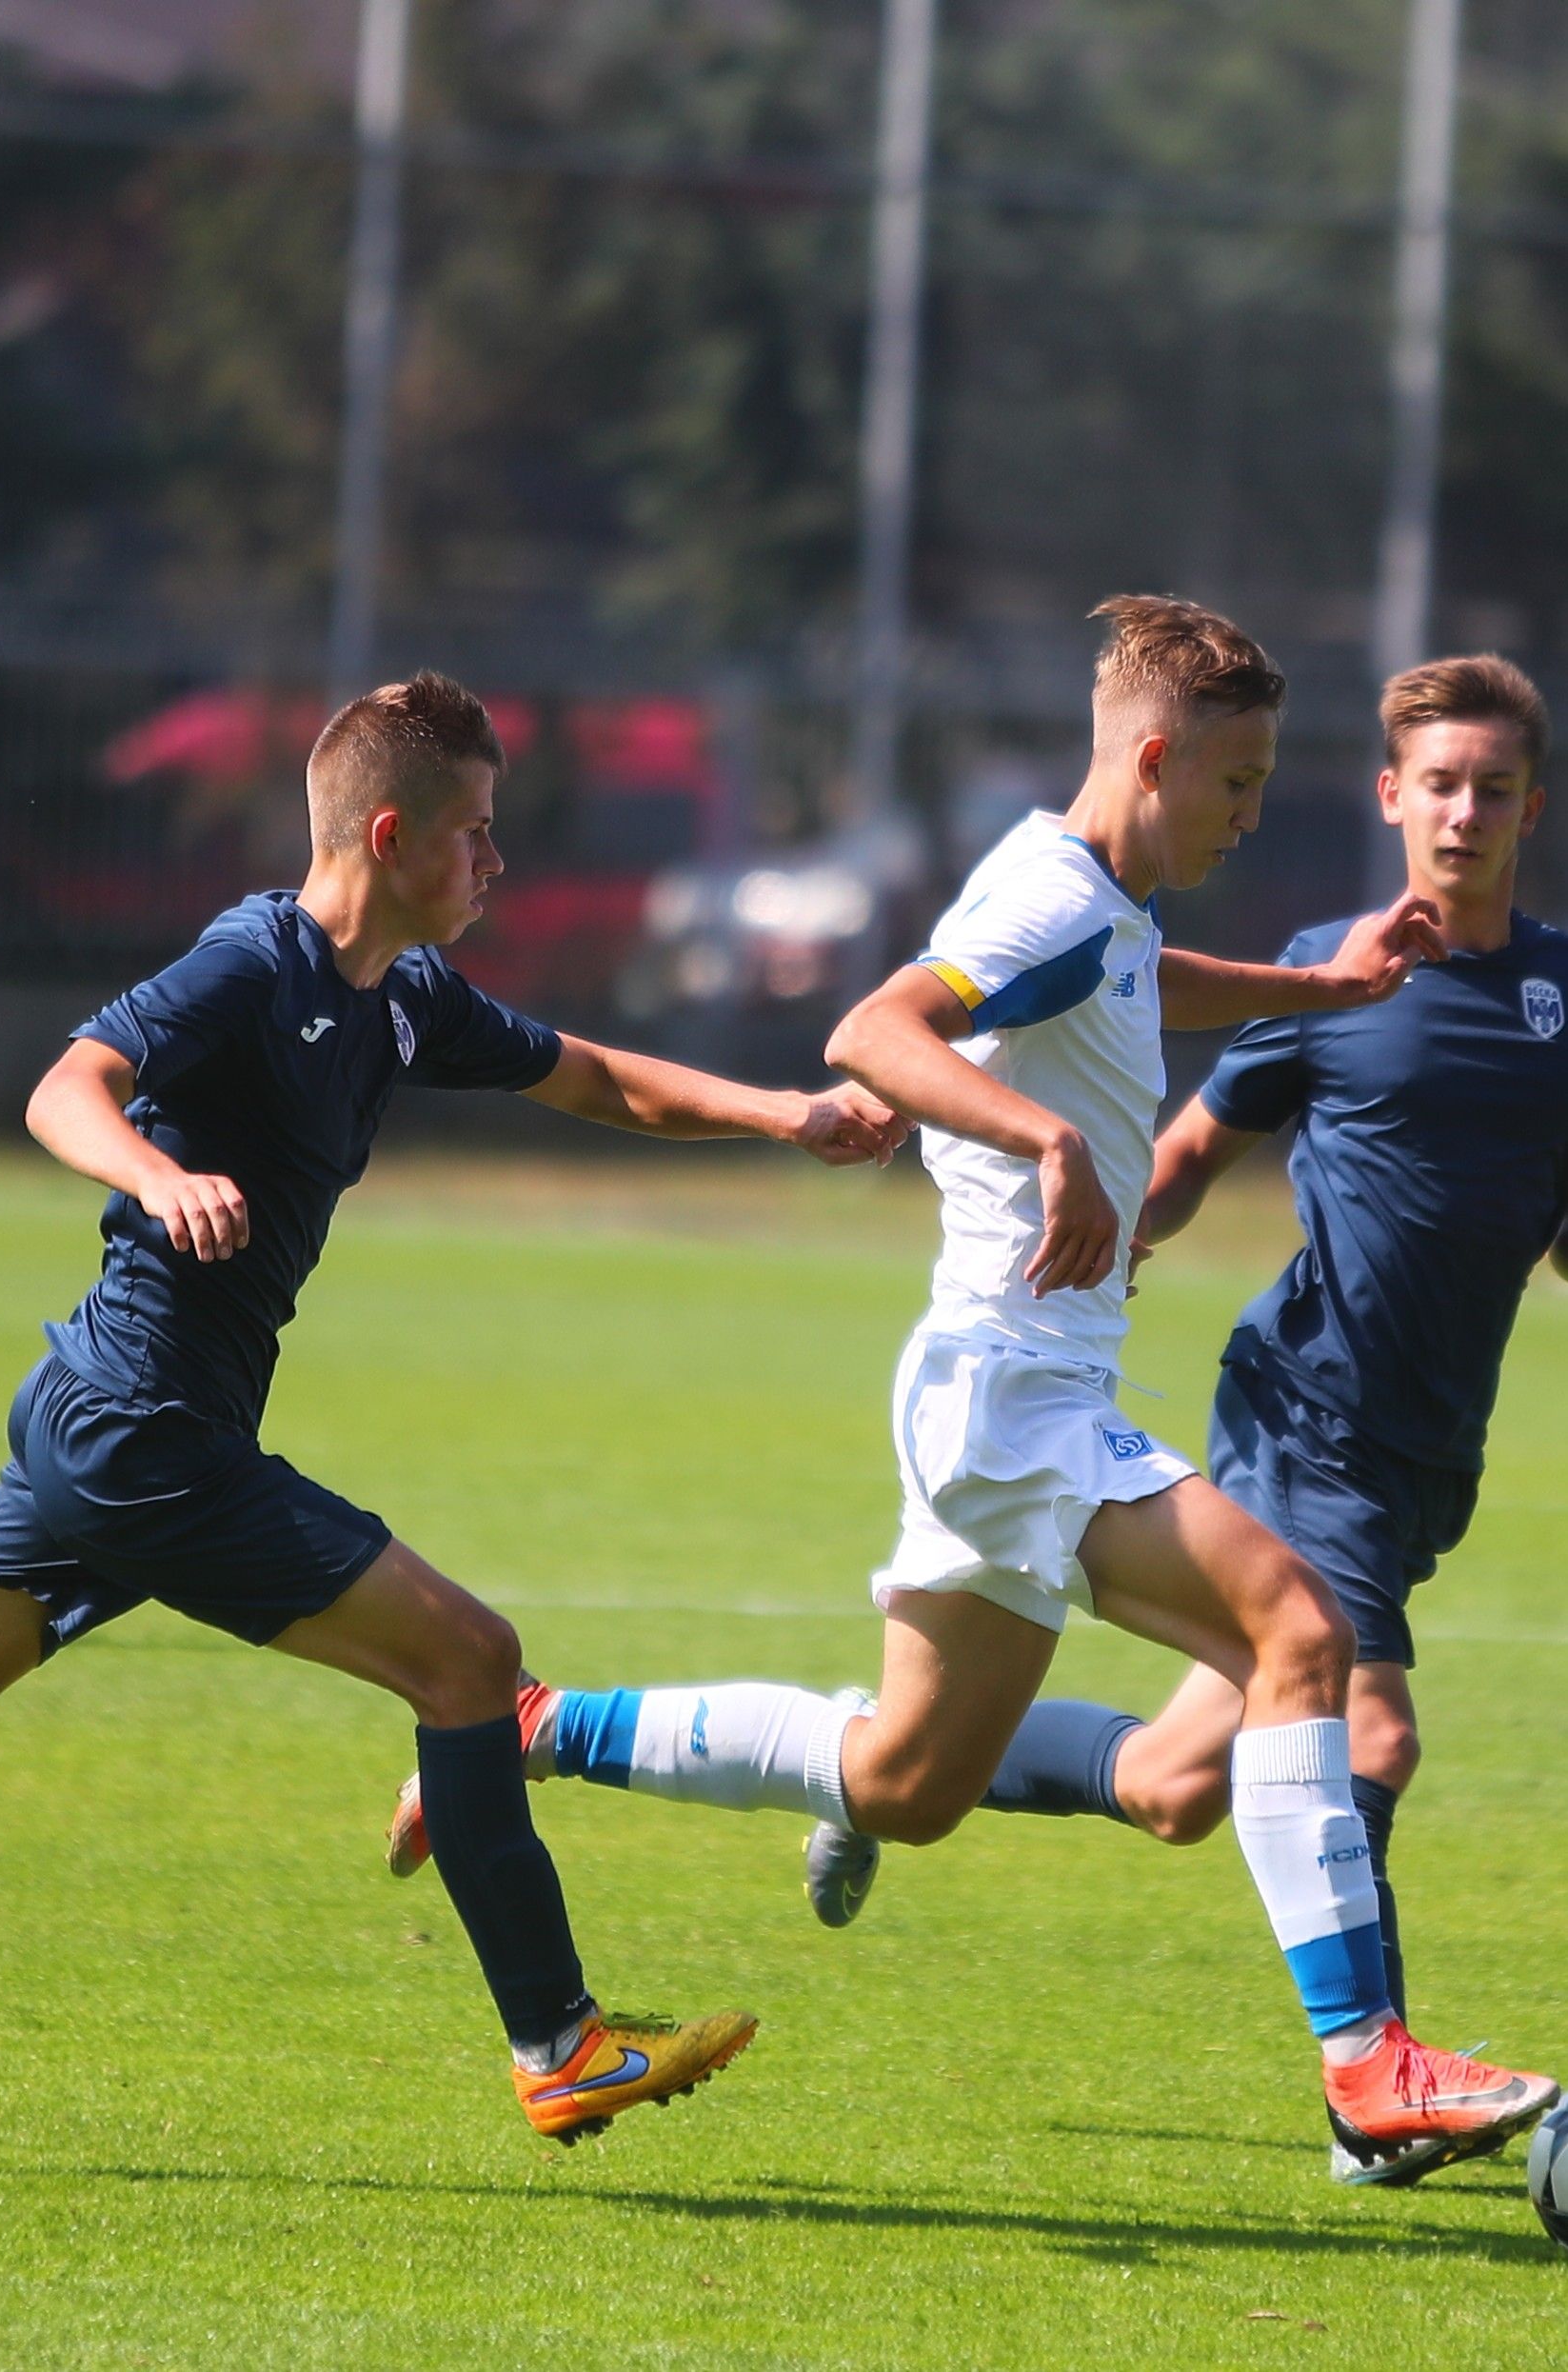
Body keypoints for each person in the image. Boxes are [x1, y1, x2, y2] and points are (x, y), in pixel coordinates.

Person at [0, 671, 907, 2143]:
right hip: (144, 1433)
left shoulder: (400, 996)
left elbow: (589, 1078)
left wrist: (783, 1113)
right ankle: (557, 2039)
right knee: (470, 1663)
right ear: (387, 834)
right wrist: (154, 1168)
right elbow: (66, 1085)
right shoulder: (253, 963)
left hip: (115, 1421)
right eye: (476, 831)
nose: (496, 861)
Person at [384, 601, 1558, 2179]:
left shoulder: (1105, 904)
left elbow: (1147, 982)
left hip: (995, 1392)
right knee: (1300, 1633)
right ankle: (1368, 2067)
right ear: (1154, 759)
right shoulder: (1049, 896)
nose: (1249, 814)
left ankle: (546, 1723)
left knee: (906, 1782)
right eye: (1236, 786)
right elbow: (874, 1028)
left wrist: (1331, 994)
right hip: (1018, 1395)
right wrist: (1044, 1139)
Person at [810, 652, 1568, 2186]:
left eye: (1491, 785)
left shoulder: (1558, 1001)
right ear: (1390, 798)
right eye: (1436, 781)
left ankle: (875, 1763)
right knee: (1362, 1712)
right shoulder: (1330, 970)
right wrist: (1082, 1249)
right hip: (1309, 1412)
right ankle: (1373, 2087)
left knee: (1171, 1785)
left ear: (1528, 807)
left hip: (1429, 1446)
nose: (1462, 809)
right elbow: (1187, 1148)